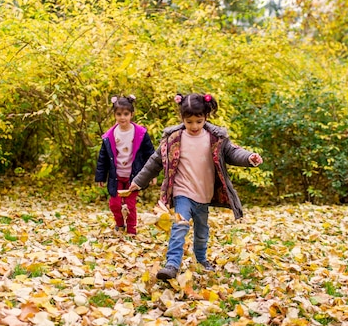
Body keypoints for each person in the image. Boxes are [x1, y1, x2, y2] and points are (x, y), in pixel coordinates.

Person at [128, 93, 263, 280]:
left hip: (204, 194)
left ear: (205, 118)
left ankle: (201, 259)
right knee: (180, 226)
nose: (194, 126)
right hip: (183, 191)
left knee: (201, 232)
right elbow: (155, 161)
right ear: (182, 118)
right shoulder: (173, 139)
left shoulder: (215, 138)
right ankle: (172, 264)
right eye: (189, 121)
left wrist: (250, 158)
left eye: (198, 121)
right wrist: (137, 181)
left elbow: (233, 153)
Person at [95, 95, 155, 235]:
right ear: (114, 115)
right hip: (116, 176)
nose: (122, 117)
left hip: (134, 177)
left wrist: (151, 174)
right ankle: (120, 224)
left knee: (130, 205)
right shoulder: (109, 136)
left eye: (126, 114)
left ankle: (132, 230)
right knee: (114, 204)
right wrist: (100, 177)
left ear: (132, 114)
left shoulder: (140, 133)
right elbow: (103, 158)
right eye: (119, 114)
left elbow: (150, 155)